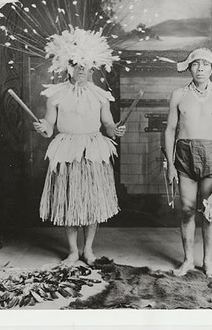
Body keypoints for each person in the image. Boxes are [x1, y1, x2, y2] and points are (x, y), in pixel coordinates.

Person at [33, 27, 125, 265]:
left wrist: (116, 130)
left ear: (93, 67)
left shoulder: (101, 95)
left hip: (93, 150)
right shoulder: (55, 95)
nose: (81, 69)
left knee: (93, 201)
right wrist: (44, 127)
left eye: (85, 65)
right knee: (70, 200)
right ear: (67, 66)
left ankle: (88, 250)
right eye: (75, 64)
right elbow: (50, 125)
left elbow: (108, 124)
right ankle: (73, 250)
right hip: (67, 150)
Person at [164, 48, 212, 277]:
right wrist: (171, 165)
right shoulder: (178, 94)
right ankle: (188, 260)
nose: (201, 68)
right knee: (186, 210)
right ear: (189, 67)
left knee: (209, 211)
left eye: (206, 65)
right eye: (196, 64)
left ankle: (208, 262)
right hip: (184, 157)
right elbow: (170, 130)